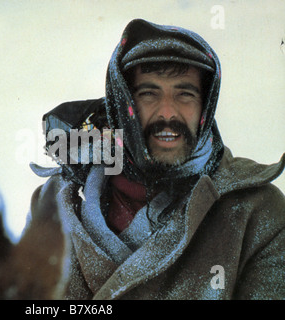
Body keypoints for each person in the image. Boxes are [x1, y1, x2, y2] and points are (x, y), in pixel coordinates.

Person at [28, 18, 285, 299]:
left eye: (185, 94)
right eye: (148, 94)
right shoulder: (52, 206)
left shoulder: (256, 215)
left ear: (205, 106)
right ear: (122, 101)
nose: (167, 113)